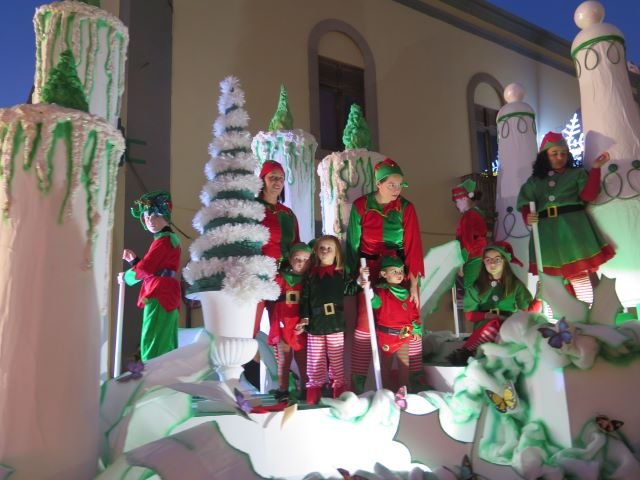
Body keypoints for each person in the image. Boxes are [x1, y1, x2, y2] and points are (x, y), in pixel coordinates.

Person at [345, 158, 425, 394]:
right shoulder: (361, 206)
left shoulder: (406, 208)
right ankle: (358, 380)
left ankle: (414, 376)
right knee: (364, 322)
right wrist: (356, 276)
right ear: (379, 184)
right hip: (369, 269)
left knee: (411, 319)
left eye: (400, 185)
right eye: (392, 185)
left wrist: (413, 282)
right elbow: (352, 243)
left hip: (398, 270)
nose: (396, 190)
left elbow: (413, 246)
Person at [516, 132, 614, 296]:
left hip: (573, 227)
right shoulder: (534, 182)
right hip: (546, 231)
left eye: (563, 153)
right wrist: (527, 215)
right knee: (555, 273)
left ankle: (599, 305)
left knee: (585, 266)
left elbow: (589, 195)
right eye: (554, 153)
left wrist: (596, 169)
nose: (559, 157)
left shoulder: (576, 174)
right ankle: (568, 311)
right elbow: (525, 201)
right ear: (544, 156)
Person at [247, 160, 301, 387]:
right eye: (272, 177)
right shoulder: (253, 209)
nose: (278, 182)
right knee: (250, 329)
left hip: (284, 277)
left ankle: (283, 384)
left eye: (280, 178)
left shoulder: (288, 214)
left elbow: (296, 246)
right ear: (262, 180)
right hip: (258, 276)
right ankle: (247, 382)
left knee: (285, 330)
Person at [447, 242, 541, 366]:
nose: (492, 263)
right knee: (493, 326)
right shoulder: (475, 287)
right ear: (484, 263)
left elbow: (528, 312)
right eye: (488, 260)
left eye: (497, 260)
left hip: (508, 324)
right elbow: (470, 315)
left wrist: (539, 296)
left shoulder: (515, 285)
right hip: (485, 325)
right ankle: (470, 352)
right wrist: (487, 316)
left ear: (504, 262)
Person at [120, 191, 181, 361]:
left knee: (153, 337)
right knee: (163, 337)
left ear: (164, 216)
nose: (149, 221)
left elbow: (147, 268)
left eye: (153, 216)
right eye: (146, 218)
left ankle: (151, 378)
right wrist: (134, 261)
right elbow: (154, 266)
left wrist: (126, 277)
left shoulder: (164, 239)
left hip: (159, 293)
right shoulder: (166, 239)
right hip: (163, 290)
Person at [359, 256, 423, 391]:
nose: (399, 274)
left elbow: (413, 313)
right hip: (387, 335)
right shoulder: (382, 292)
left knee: (404, 365)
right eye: (394, 271)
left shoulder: (406, 292)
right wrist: (369, 291)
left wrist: (416, 329)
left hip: (404, 333)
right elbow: (375, 303)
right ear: (384, 274)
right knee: (385, 367)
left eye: (401, 271)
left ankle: (403, 390)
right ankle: (385, 391)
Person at [299, 235, 347, 404]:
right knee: (315, 360)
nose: (325, 251)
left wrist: (360, 280)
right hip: (316, 324)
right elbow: (305, 298)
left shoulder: (341, 274)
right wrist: (304, 318)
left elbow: (352, 288)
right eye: (322, 248)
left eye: (329, 248)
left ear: (336, 254)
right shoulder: (310, 275)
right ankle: (314, 394)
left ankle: (338, 392)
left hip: (335, 323)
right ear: (316, 252)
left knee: (336, 360)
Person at [268, 242, 312, 401]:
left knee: (303, 360)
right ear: (290, 259)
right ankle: (283, 389)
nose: (301, 262)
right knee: (283, 359)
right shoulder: (281, 277)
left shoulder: (310, 280)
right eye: (297, 258)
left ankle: (307, 389)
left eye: (306, 259)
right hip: (282, 323)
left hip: (300, 325)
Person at [452, 178, 488, 288]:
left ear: (465, 199)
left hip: (472, 258)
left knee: (464, 291)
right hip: (475, 256)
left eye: (458, 201)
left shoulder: (470, 215)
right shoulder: (474, 214)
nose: (457, 205)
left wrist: (460, 262)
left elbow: (467, 241)